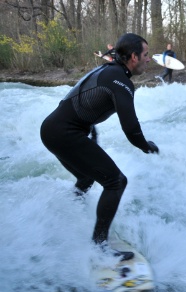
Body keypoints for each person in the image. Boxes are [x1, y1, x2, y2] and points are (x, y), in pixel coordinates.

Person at [40, 33, 159, 261]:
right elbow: (131, 128)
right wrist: (146, 146)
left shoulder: (106, 71)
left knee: (87, 179)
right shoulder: (120, 81)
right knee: (116, 181)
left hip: (52, 129)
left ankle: (68, 212)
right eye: (146, 55)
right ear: (133, 57)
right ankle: (99, 247)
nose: (148, 59)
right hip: (64, 133)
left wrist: (90, 131)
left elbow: (76, 101)